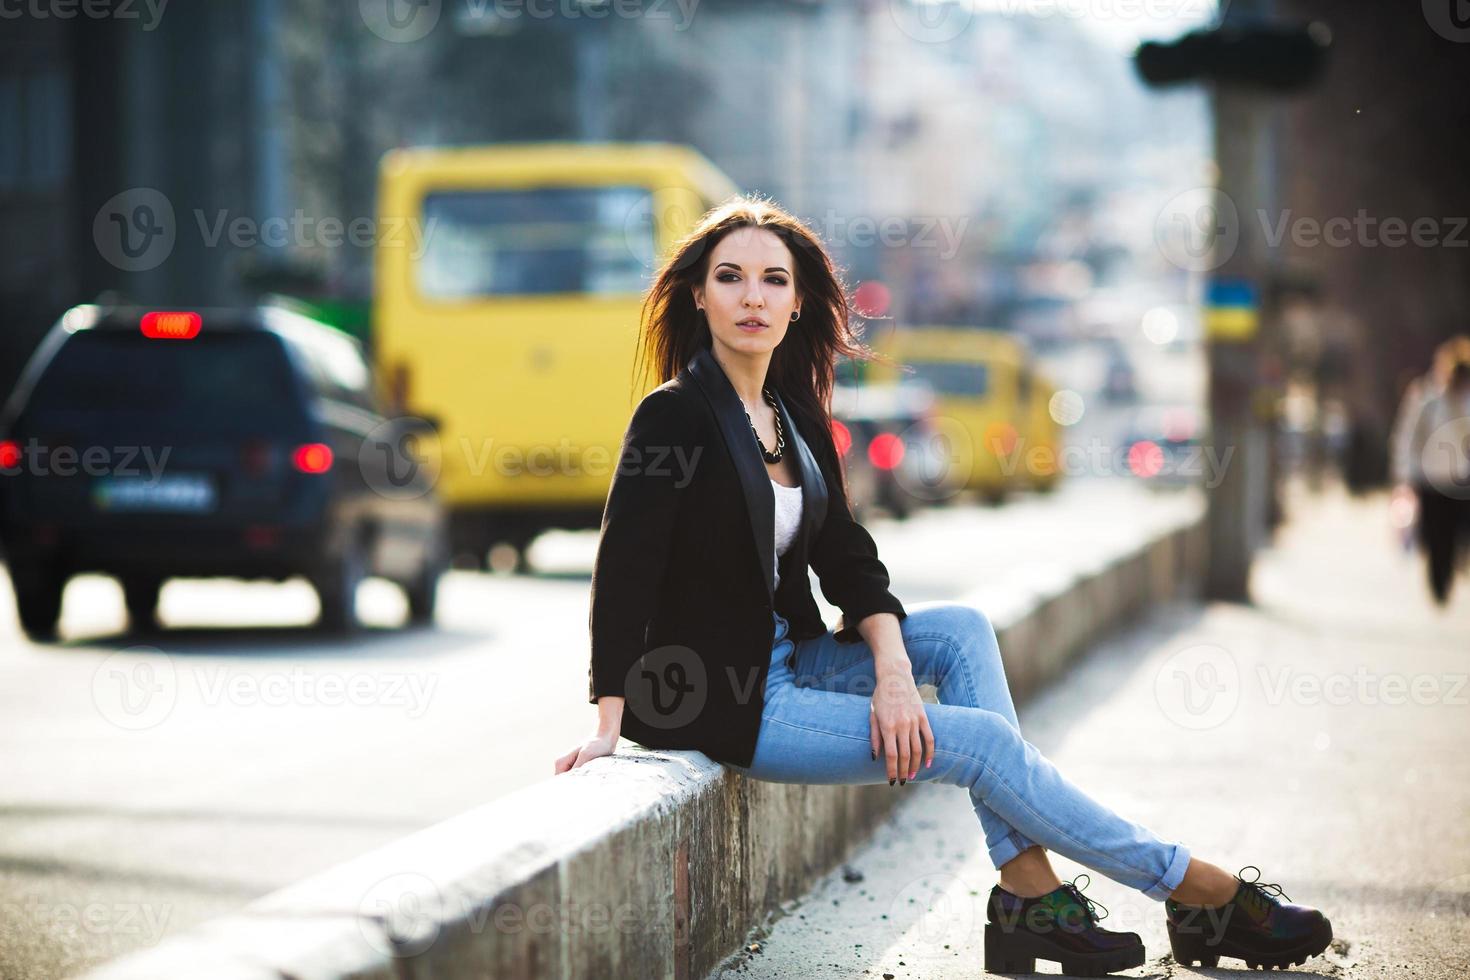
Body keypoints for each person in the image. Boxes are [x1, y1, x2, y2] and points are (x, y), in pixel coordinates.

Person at [554, 195, 1332, 975]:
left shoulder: (791, 413)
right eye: (729, 277)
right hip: (728, 699)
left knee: (961, 630)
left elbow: (850, 562)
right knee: (985, 744)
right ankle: (1197, 889)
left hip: (794, 658)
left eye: (771, 280)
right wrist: (607, 724)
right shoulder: (674, 417)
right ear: (698, 294)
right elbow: (624, 568)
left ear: (797, 303)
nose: (751, 297)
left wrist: (894, 674)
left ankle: (1029, 893)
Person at [1390, 336, 1470, 605]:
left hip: (1461, 480)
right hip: (1431, 479)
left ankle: (1449, 574)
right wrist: (1406, 475)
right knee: (1435, 533)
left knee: (1457, 533)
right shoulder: (1428, 399)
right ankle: (1438, 582)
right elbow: (1409, 437)